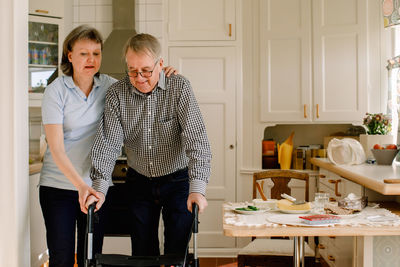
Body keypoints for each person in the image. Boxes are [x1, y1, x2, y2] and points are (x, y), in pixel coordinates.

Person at [39, 25, 177, 267]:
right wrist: (82, 186)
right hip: (58, 188)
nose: (91, 59)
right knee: (61, 258)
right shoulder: (55, 92)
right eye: (83, 53)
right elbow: (57, 149)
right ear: (70, 56)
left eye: (96, 53)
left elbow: (144, 83)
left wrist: (163, 74)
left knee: (90, 257)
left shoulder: (111, 87)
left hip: (96, 189)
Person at [88, 33, 212, 258]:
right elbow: (108, 144)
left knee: (177, 255)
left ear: (161, 65)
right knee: (143, 255)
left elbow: (197, 139)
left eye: (146, 70)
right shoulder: (117, 94)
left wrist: (197, 190)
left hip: (177, 181)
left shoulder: (179, 87)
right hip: (139, 181)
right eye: (132, 70)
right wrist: (99, 189)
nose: (139, 77)